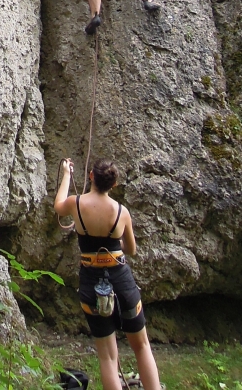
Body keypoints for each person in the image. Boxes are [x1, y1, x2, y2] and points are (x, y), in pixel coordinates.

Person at [54, 158, 162, 390]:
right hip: (121, 281)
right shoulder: (122, 212)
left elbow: (58, 205)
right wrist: (115, 246)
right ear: (114, 184)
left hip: (92, 283)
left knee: (108, 357)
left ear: (91, 176)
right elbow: (131, 250)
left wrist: (66, 174)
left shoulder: (77, 203)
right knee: (142, 346)